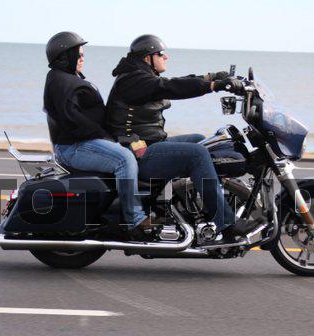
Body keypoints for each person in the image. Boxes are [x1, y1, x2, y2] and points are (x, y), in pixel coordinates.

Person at [106, 34, 259, 242]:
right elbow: (171, 86)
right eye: (160, 54)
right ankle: (227, 222)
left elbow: (177, 81)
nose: (165, 57)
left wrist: (213, 77)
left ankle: (193, 205)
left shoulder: (139, 75)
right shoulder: (134, 80)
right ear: (147, 58)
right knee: (197, 154)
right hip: (137, 151)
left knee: (200, 140)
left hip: (149, 142)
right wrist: (215, 85)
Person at [42, 31, 152, 239]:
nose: (82, 58)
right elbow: (72, 119)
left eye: (83, 54)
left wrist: (119, 136)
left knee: (141, 150)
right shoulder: (61, 81)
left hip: (83, 141)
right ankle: (135, 220)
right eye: (79, 54)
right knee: (124, 159)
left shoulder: (64, 78)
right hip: (74, 147)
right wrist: (106, 137)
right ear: (65, 56)